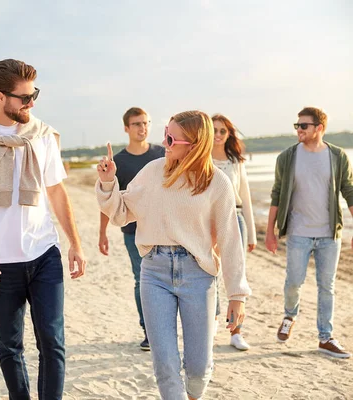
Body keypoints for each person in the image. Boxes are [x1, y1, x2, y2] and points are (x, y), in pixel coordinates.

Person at [0, 59, 86, 400]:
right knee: (10, 346)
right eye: (24, 97)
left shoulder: (42, 135)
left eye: (34, 94)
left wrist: (75, 243)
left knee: (52, 340)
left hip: (44, 254)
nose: (31, 103)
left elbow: (56, 190)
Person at [96, 110, 251, 400]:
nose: (164, 142)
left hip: (199, 274)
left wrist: (237, 295)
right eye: (165, 133)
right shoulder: (153, 172)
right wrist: (108, 182)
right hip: (153, 272)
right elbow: (120, 213)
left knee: (198, 367)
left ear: (193, 143)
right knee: (164, 365)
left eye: (170, 137)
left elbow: (231, 241)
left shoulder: (217, 183)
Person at [265, 106, 353, 359]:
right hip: (298, 232)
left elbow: (349, 190)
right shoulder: (287, 157)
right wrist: (270, 232)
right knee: (294, 282)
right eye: (297, 125)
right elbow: (277, 193)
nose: (299, 130)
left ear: (319, 128)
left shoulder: (337, 156)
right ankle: (289, 315)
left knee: (327, 286)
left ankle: (325, 337)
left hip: (329, 234)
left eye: (304, 126)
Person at [98, 107, 165, 351]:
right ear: (126, 128)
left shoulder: (162, 154)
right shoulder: (119, 161)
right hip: (133, 231)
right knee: (142, 279)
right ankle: (148, 331)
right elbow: (109, 198)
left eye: (145, 123)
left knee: (165, 279)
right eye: (136, 124)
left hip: (164, 230)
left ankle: (163, 329)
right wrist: (102, 233)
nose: (142, 128)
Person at [211, 113, 256, 351]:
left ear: (228, 134)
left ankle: (236, 332)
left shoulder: (236, 160)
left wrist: (252, 235)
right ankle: (213, 322)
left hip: (235, 219)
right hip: (208, 222)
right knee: (211, 273)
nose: (218, 135)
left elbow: (246, 197)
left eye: (222, 131)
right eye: (214, 130)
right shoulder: (201, 159)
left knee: (236, 276)